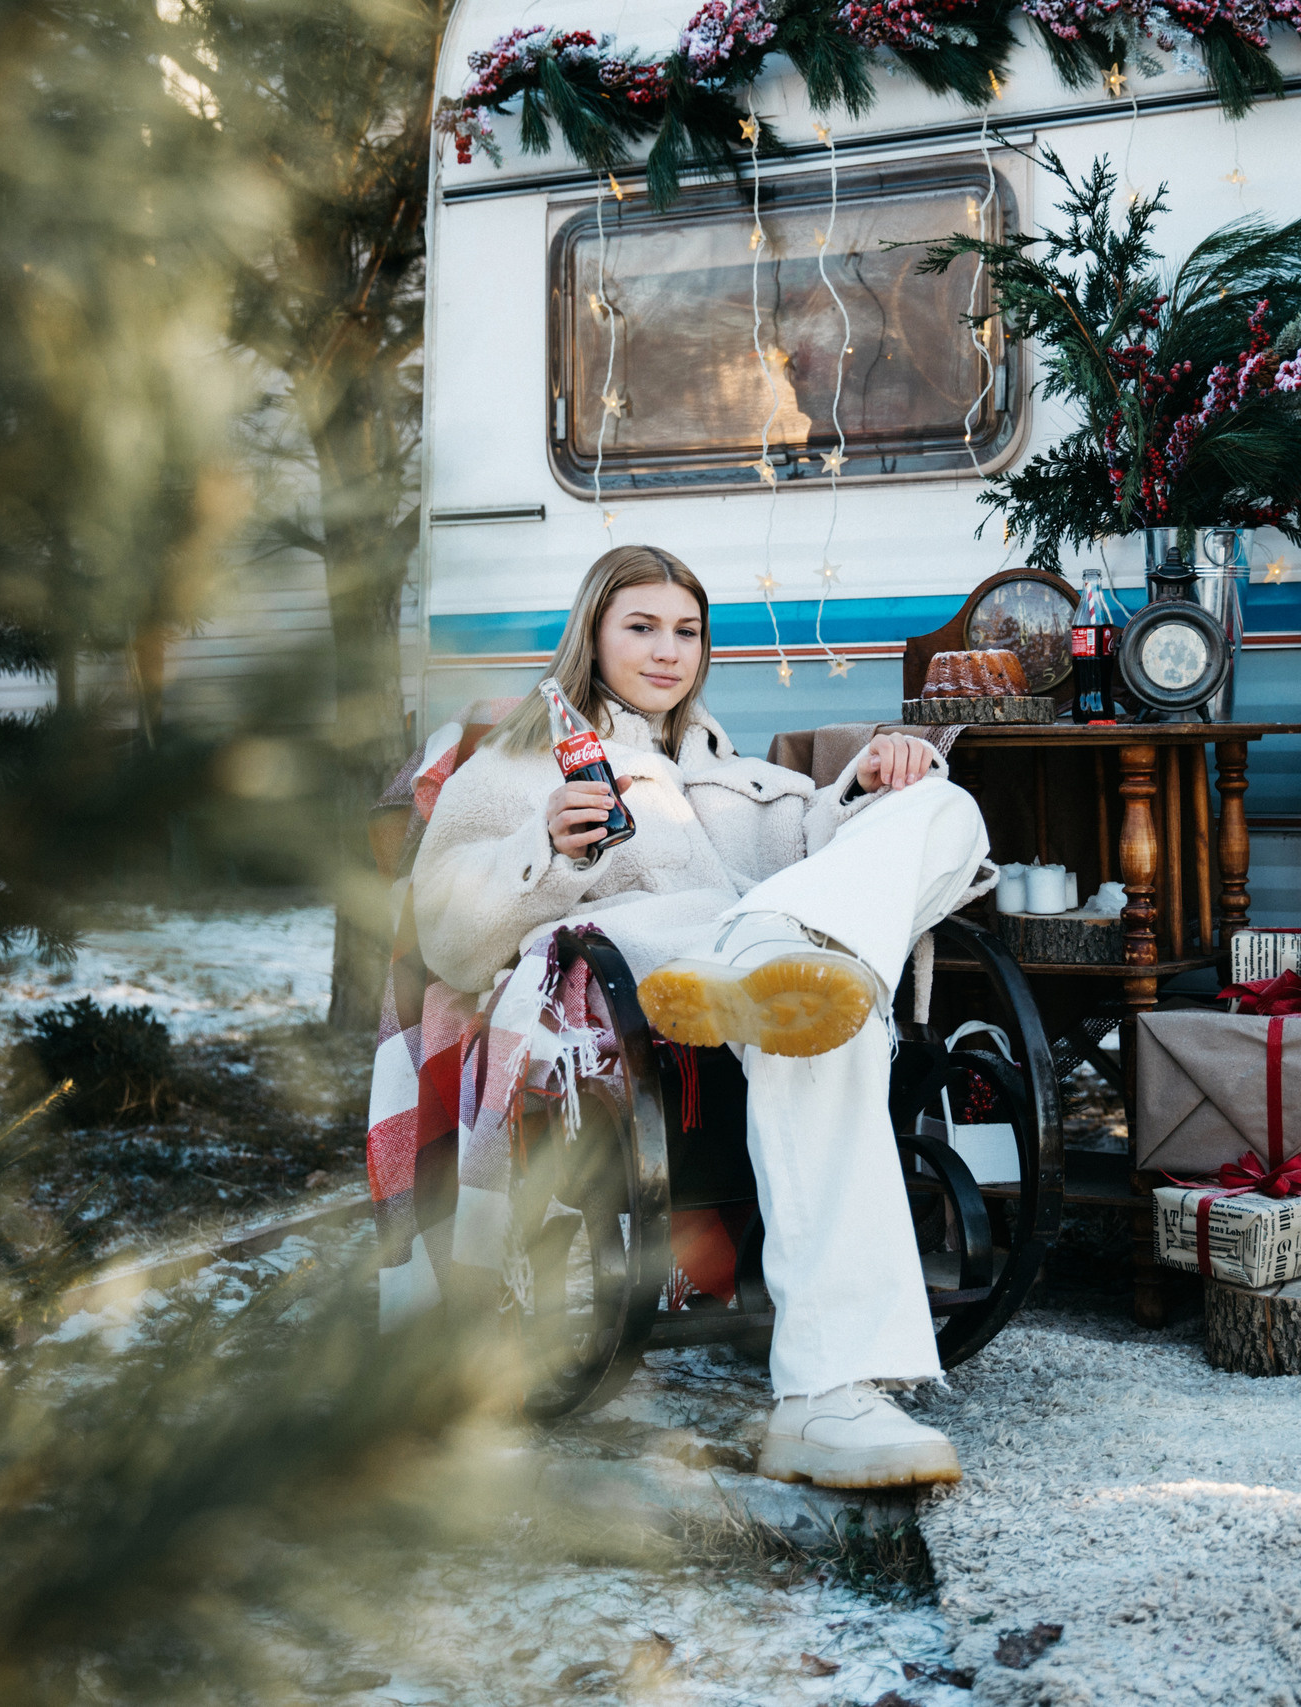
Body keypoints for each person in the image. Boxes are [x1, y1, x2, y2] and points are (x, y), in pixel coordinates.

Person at [412, 544, 994, 1490]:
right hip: (646, 976)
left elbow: (824, 845)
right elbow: (443, 933)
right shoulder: (522, 765)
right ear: (592, 635)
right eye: (640, 627)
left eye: (687, 631)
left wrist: (892, 773)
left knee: (949, 809)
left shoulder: (728, 772)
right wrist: (542, 846)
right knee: (819, 1011)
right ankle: (827, 1392)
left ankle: (772, 951)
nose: (667, 650)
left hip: (762, 948)